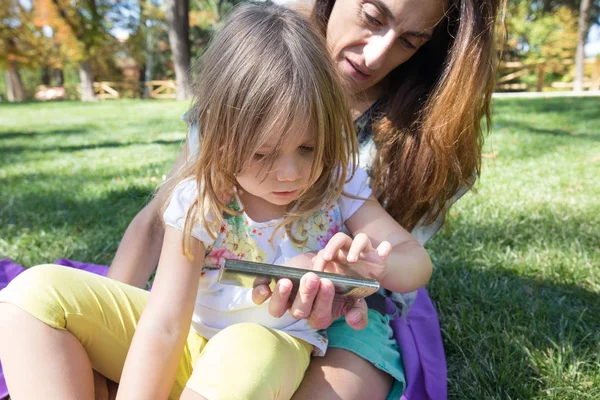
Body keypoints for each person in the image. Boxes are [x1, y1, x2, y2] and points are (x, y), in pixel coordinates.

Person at [0, 4, 433, 400]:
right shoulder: (200, 198)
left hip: (264, 353)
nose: (291, 173)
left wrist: (365, 268)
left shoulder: (338, 182)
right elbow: (165, 323)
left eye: (309, 147)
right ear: (219, 138)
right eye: (262, 153)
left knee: (247, 350)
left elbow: (415, 263)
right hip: (188, 341)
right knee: (31, 295)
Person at [108, 0, 504, 398]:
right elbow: (159, 221)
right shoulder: (251, 76)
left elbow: (406, 260)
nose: (375, 55)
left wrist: (362, 270)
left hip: (347, 322)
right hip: (218, 310)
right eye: (371, 17)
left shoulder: (411, 144)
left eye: (410, 41)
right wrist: (119, 331)